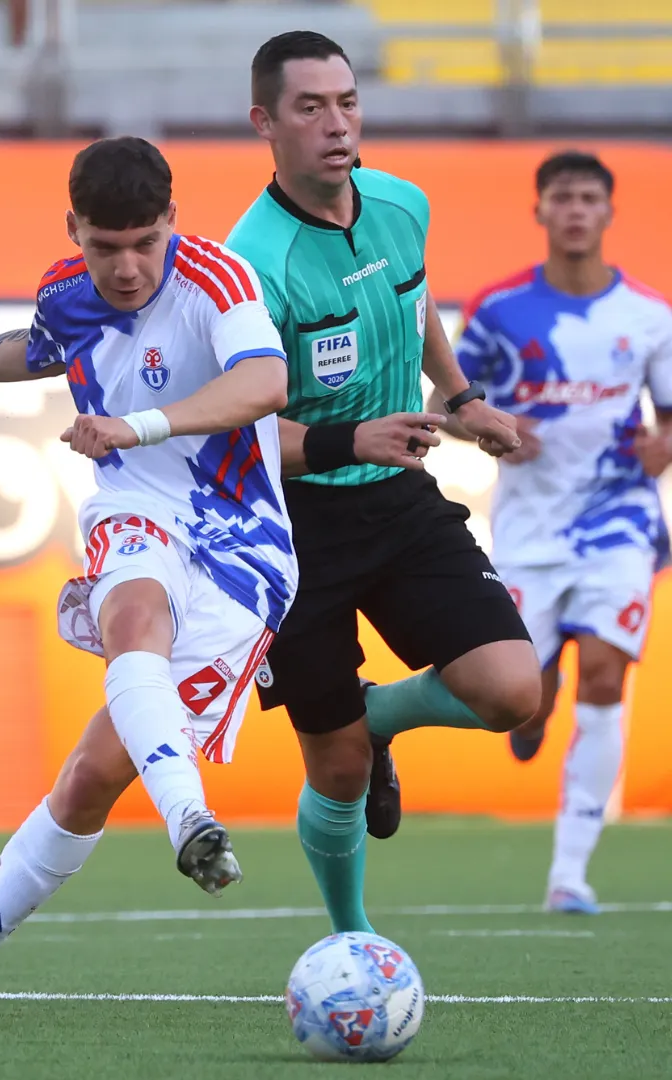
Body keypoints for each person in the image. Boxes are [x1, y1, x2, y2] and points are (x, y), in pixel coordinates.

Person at [0, 136, 295, 1027]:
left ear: (173, 220)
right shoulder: (67, 289)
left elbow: (267, 381)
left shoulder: (220, 281)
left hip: (244, 549)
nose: (126, 267)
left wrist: (138, 424)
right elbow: (36, 348)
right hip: (136, 511)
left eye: (143, 242)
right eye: (104, 245)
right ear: (74, 230)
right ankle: (189, 824)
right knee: (132, 617)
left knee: (91, 777)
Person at [224, 30, 541, 937]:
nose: (336, 124)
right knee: (336, 771)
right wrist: (349, 434)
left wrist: (461, 393)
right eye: (310, 107)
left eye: (348, 102)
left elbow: (414, 297)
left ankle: (380, 715)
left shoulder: (404, 204)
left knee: (516, 692)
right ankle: (353, 939)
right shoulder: (252, 269)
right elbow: (238, 438)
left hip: (399, 502)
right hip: (292, 528)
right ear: (265, 122)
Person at [453, 150, 672, 915]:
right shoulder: (498, 312)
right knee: (520, 698)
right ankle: (532, 713)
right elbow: (453, 401)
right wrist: (492, 430)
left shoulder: (648, 316)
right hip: (529, 531)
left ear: (609, 213)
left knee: (608, 676)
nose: (575, 211)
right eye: (561, 198)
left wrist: (663, 443)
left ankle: (570, 873)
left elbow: (669, 414)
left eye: (588, 198)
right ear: (539, 211)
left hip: (619, 519)